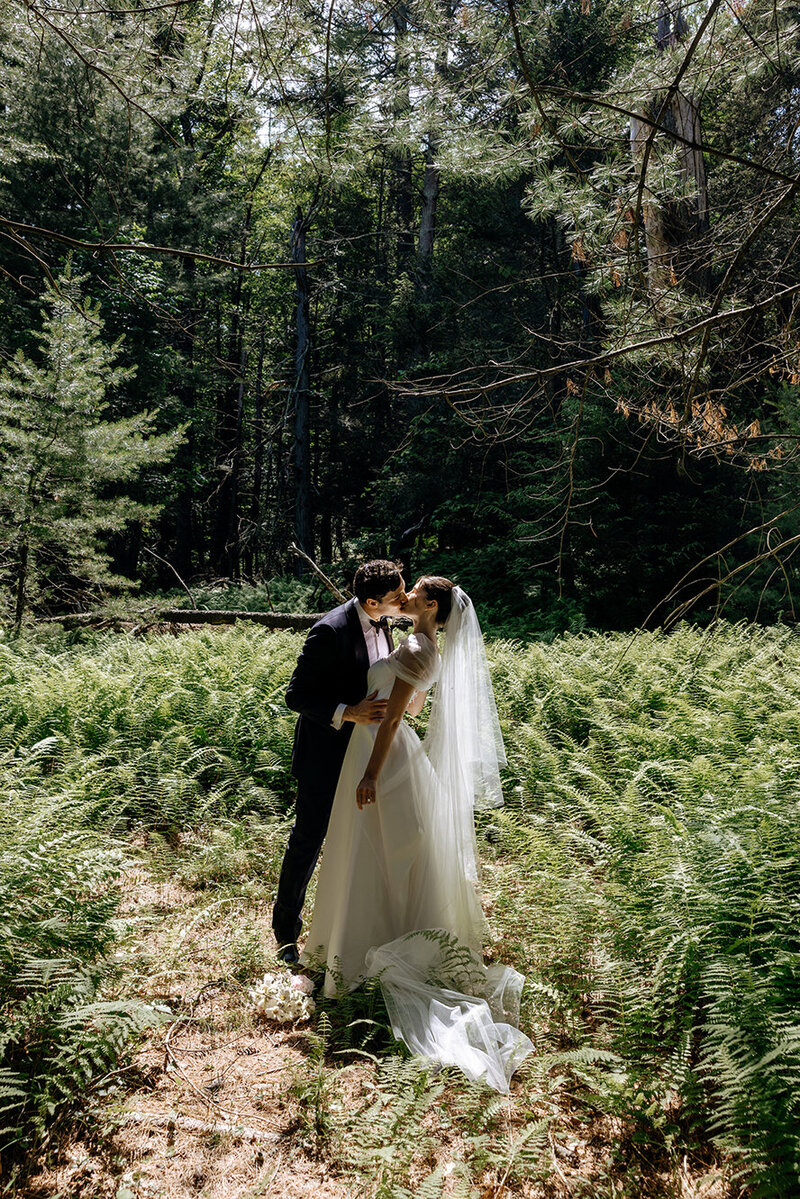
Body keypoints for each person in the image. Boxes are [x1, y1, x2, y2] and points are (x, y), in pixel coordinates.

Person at [301, 577, 533, 1092]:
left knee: (379, 850)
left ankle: (377, 943)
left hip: (382, 757)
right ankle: (384, 935)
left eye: (414, 590)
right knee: (391, 849)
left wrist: (369, 774)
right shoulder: (424, 648)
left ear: (430, 605)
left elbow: (390, 723)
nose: (402, 595)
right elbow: (411, 708)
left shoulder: (412, 646)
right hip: (390, 750)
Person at [272, 560, 407, 965]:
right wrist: (348, 712)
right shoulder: (330, 630)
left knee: (368, 842)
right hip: (326, 756)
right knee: (308, 842)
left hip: (368, 757)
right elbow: (295, 696)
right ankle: (285, 934)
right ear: (371, 601)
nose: (404, 600)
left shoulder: (384, 622)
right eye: (396, 596)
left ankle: (360, 930)